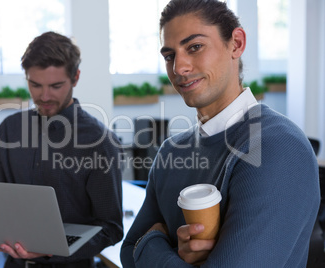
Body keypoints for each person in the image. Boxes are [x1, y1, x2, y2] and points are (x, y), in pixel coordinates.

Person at [120, 0, 320, 267]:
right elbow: (126, 252)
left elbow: (138, 247)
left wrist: (151, 243)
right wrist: (169, 253)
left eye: (195, 47)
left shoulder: (277, 147)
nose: (179, 68)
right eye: (169, 56)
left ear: (236, 43)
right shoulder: (170, 151)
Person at [0, 31, 123, 268]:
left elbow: (111, 229)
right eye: (35, 85)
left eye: (56, 85)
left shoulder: (99, 142)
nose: (44, 96)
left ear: (75, 78)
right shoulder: (9, 130)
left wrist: (51, 251)